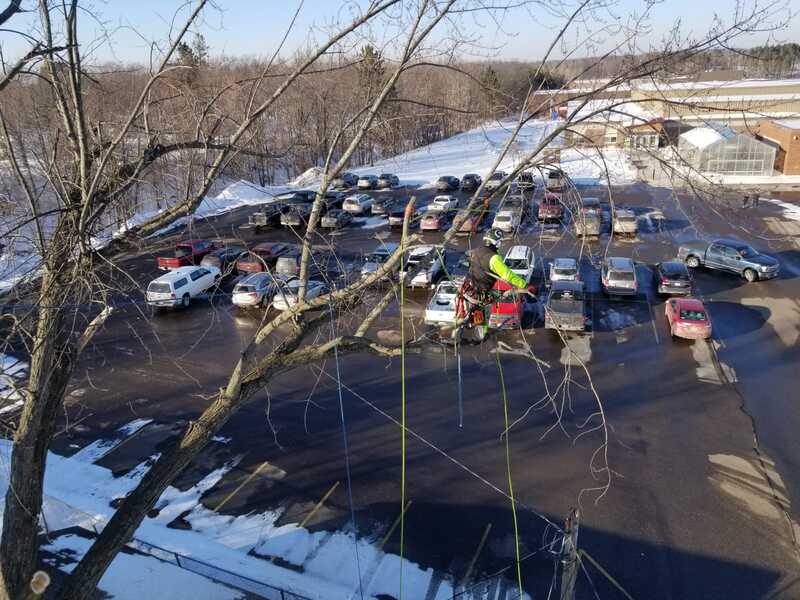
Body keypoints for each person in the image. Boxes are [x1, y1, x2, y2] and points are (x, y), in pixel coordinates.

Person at [457, 228, 535, 323]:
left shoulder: (477, 251)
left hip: (466, 289)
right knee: (481, 323)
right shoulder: (494, 258)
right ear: (497, 242)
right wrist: (525, 285)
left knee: (471, 321)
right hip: (479, 296)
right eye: (500, 242)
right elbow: (508, 275)